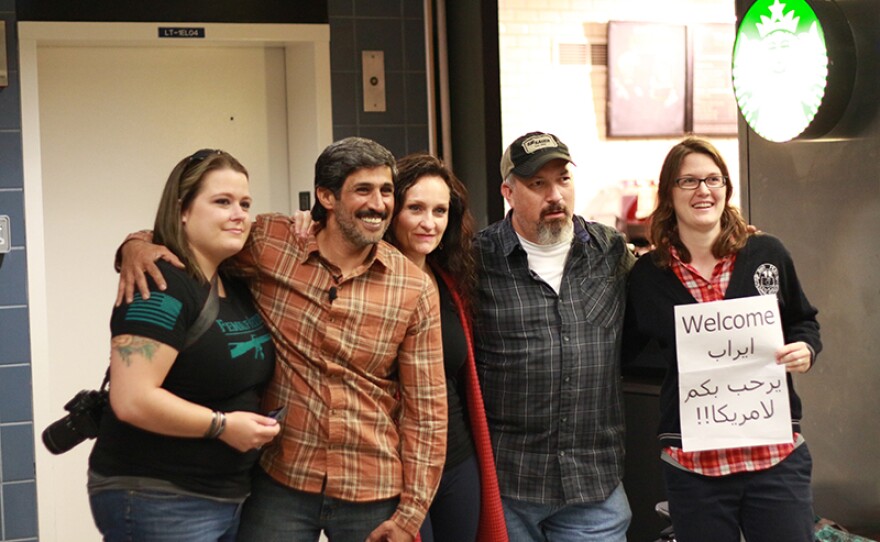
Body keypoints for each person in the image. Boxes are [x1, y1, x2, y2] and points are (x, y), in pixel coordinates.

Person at [116, 137, 447, 542]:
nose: (378, 204)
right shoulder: (271, 243)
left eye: (386, 191)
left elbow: (426, 412)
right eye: (363, 190)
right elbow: (188, 234)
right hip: (281, 479)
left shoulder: (413, 287)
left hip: (372, 484)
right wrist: (136, 246)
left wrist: (411, 514)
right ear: (326, 196)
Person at [623, 136, 821, 542]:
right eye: (688, 181)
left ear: (727, 189)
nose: (703, 191)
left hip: (774, 457)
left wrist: (806, 349)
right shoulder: (647, 278)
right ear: (668, 193)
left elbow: (804, 322)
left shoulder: (766, 252)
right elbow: (624, 352)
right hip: (694, 467)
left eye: (713, 179)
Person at [88, 149, 281, 542]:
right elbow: (132, 399)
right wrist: (223, 426)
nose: (239, 214)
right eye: (222, 202)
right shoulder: (159, 285)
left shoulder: (232, 280)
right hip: (159, 497)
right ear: (183, 212)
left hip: (226, 497)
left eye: (245, 203)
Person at [473, 132, 634, 541]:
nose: (555, 195)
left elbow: (675, 283)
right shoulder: (476, 259)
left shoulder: (610, 251)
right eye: (537, 184)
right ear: (508, 191)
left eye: (562, 179)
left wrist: (730, 248)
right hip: (510, 483)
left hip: (593, 485)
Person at [372, 153, 508, 541]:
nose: (429, 223)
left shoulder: (448, 281)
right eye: (415, 208)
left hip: (457, 459)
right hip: (393, 468)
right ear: (391, 211)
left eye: (440, 210)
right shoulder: (366, 284)